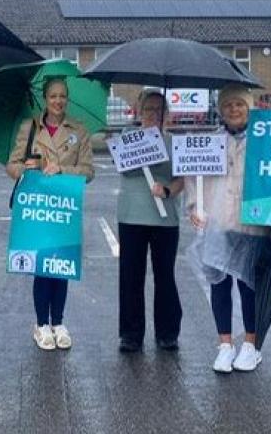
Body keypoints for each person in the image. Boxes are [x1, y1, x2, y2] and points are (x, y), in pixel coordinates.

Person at [6, 77, 94, 351]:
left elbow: (89, 171)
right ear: (45, 98)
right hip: (38, 208)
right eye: (53, 96)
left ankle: (58, 322)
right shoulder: (29, 127)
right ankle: (41, 324)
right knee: (42, 268)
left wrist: (61, 169)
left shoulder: (79, 131)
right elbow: (12, 165)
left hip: (65, 208)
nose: (58, 101)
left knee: (61, 266)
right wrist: (28, 168)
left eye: (63, 96)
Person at [188, 84, 269, 373]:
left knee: (250, 286)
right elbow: (194, 179)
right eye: (228, 105)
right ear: (221, 110)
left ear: (249, 108)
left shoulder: (264, 142)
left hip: (253, 225)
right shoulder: (210, 142)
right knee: (219, 285)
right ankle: (224, 344)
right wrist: (194, 207)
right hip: (218, 224)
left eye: (240, 104)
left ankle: (251, 344)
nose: (234, 109)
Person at [117, 90, 184, 353]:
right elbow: (123, 165)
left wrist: (167, 190)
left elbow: (182, 179)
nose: (154, 115)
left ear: (167, 114)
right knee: (131, 275)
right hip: (132, 215)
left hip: (165, 219)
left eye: (159, 110)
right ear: (139, 112)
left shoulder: (174, 143)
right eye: (149, 110)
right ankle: (131, 334)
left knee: (165, 275)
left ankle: (167, 332)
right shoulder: (127, 138)